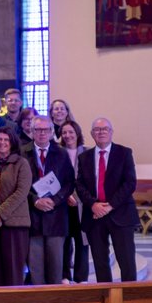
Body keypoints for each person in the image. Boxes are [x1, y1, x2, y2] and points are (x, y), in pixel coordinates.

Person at [76, 118, 138, 288]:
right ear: (91, 134)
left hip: (121, 214)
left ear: (111, 132)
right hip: (94, 215)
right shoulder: (84, 157)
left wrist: (110, 205)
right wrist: (93, 205)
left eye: (105, 129)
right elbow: (79, 185)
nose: (101, 132)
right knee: (100, 261)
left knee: (126, 260)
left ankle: (128, 302)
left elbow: (130, 183)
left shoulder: (124, 153)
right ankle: (106, 300)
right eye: (97, 129)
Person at [27, 115, 75, 286]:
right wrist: (34, 200)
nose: (42, 133)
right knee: (35, 264)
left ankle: (55, 297)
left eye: (46, 130)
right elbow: (19, 185)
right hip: (32, 216)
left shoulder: (61, 154)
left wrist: (55, 200)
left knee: (56, 263)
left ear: (51, 132)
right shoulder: (23, 153)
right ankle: (38, 298)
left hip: (56, 215)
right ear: (32, 132)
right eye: (38, 130)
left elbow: (69, 182)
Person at [0, 130, 31, 288]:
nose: (2, 143)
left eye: (6, 140)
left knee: (13, 266)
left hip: (15, 223)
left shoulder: (21, 163)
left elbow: (21, 192)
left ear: (12, 142)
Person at [59, 120, 90, 283]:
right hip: (63, 204)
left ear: (77, 133)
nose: (68, 135)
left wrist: (78, 196)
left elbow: (92, 179)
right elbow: (54, 178)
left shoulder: (87, 152)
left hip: (83, 205)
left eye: (71, 132)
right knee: (64, 241)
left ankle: (81, 277)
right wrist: (66, 195)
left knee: (82, 242)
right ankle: (65, 275)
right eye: (64, 132)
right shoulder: (58, 152)